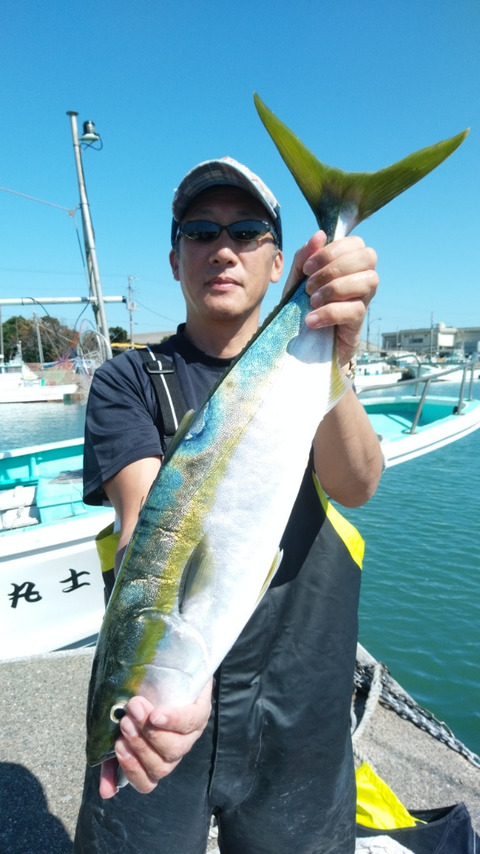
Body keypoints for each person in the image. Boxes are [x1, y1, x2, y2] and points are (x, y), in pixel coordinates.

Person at [74, 156, 383, 854]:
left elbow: (358, 485)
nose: (221, 248)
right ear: (175, 257)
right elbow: (146, 533)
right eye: (199, 230)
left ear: (280, 263)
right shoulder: (128, 382)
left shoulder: (310, 364)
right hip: (166, 739)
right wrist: (164, 699)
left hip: (299, 718)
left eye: (245, 231)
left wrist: (333, 350)